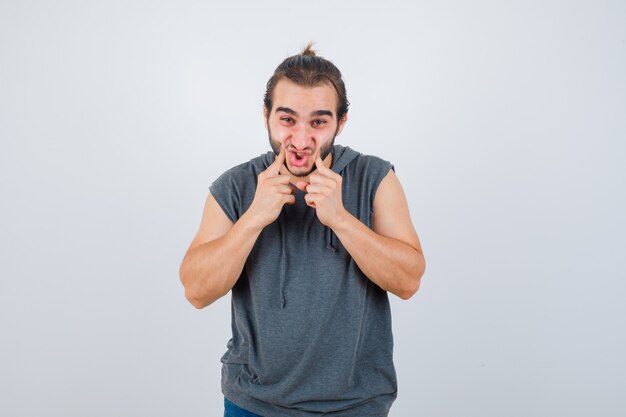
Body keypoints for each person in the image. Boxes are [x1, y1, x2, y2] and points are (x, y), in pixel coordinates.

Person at [179, 42, 426, 417]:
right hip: (253, 403)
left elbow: (408, 281)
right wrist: (254, 217)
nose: (300, 140)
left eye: (319, 122)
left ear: (340, 122)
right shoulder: (234, 186)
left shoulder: (376, 178)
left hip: (355, 405)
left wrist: (341, 219)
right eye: (288, 119)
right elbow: (196, 291)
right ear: (266, 115)